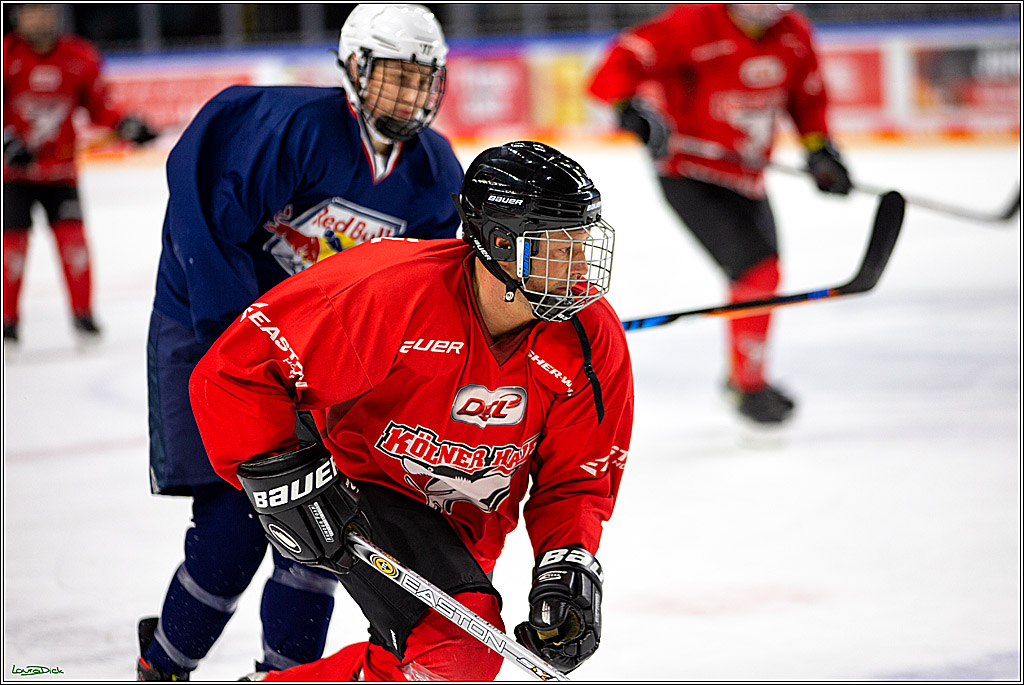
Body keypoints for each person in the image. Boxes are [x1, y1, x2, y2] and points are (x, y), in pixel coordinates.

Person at [187, 140, 634, 681]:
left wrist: (568, 560)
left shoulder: (589, 338)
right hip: (362, 487)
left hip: (467, 522)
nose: (580, 266)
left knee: (411, 664)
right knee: (458, 652)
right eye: (557, 248)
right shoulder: (388, 292)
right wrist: (279, 476)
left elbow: (578, 478)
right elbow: (238, 369)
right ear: (499, 242)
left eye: (582, 244)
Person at [139, 4, 464, 680]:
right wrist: (243, 351)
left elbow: (419, 297)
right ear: (354, 69)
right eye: (396, 77)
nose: (411, 95)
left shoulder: (433, 170)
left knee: (315, 532)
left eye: (422, 79)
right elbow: (205, 226)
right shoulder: (289, 129)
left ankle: (283, 676)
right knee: (231, 529)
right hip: (215, 337)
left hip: (314, 363)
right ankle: (162, 665)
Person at [587, 3, 852, 425]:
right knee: (759, 273)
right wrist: (629, 108)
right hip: (689, 172)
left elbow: (807, 97)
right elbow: (618, 64)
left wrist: (819, 149)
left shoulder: (793, 33)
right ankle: (748, 386)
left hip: (747, 176)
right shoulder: (691, 23)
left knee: (762, 278)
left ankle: (746, 380)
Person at [3, 3, 157, 349]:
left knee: (75, 246)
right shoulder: (6, 55)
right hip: (13, 177)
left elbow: (99, 105)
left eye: (45, 11)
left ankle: (83, 317)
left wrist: (125, 124)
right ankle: (7, 324)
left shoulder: (79, 56)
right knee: (11, 250)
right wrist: (7, 141)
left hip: (60, 175)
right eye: (31, 12)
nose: (39, 18)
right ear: (18, 17)